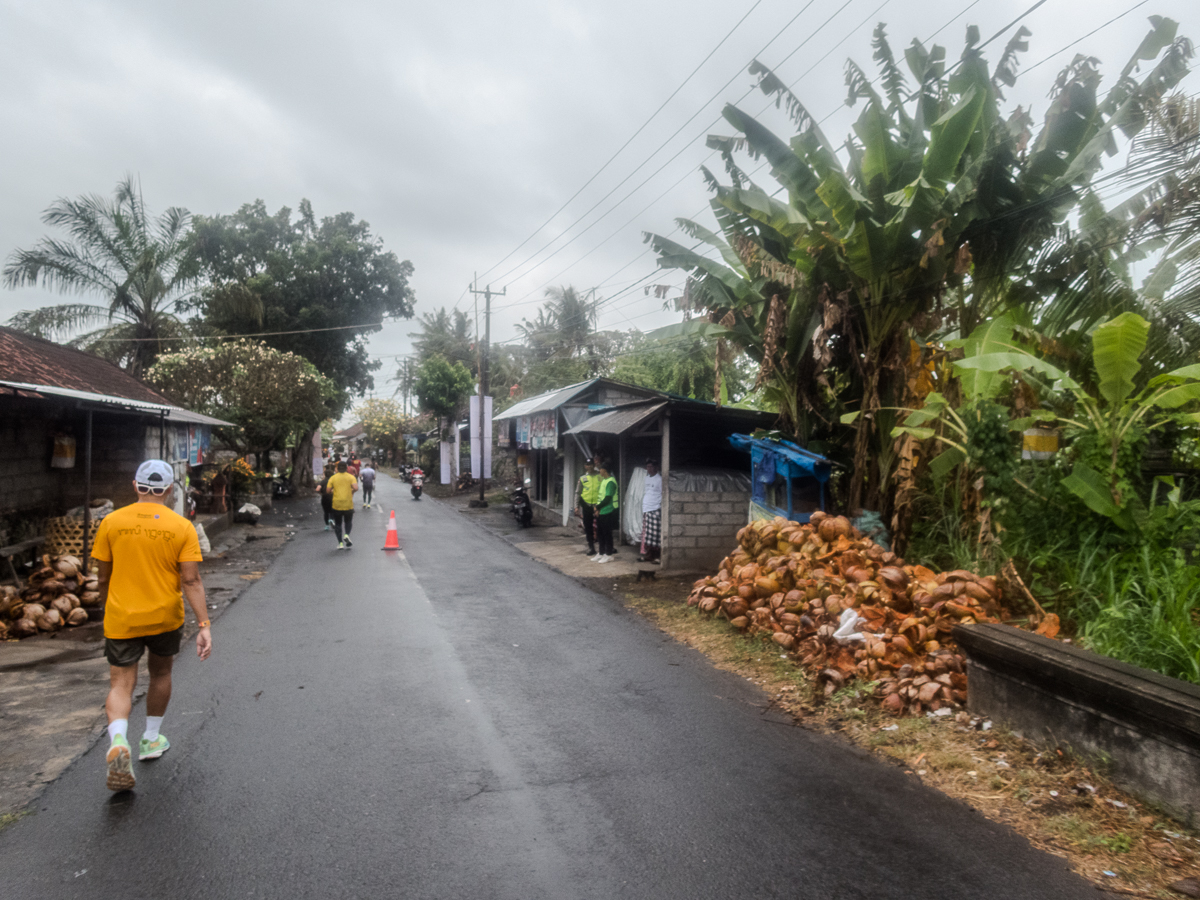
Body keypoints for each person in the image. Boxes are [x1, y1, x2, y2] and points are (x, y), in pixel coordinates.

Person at [91, 459, 212, 792]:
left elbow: (102, 578)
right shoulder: (181, 526)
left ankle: (119, 740)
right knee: (160, 674)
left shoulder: (111, 523)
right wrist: (204, 624)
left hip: (121, 617)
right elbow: (191, 579)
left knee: (120, 683)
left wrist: (108, 610)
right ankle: (150, 739)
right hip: (163, 617)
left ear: (135, 486)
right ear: (169, 490)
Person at [327, 460, 358, 549]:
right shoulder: (351, 477)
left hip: (336, 504)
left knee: (338, 524)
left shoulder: (332, 478)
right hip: (348, 504)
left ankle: (340, 543)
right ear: (346, 468)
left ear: (337, 469)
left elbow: (328, 491)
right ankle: (347, 535)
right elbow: (356, 488)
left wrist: (334, 491)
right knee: (348, 521)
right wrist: (351, 491)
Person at [572, 457, 600, 557]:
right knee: (588, 528)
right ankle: (591, 547)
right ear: (585, 466)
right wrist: (576, 506)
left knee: (601, 527)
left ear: (594, 465)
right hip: (587, 506)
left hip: (598, 506)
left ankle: (604, 547)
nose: (589, 467)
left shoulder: (599, 476)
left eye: (591, 465)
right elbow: (577, 493)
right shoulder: (583, 478)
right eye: (588, 465)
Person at [593, 461, 619, 563]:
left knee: (607, 533)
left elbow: (608, 498)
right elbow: (601, 496)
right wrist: (597, 509)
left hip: (609, 511)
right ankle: (601, 552)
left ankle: (609, 554)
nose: (599, 471)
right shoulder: (604, 480)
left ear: (605, 470)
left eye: (600, 469)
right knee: (600, 533)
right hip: (601, 511)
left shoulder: (611, 482)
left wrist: (597, 507)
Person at [639, 458, 663, 563]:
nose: (649, 469)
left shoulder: (660, 479)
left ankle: (657, 556)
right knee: (648, 534)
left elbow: (662, 494)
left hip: (655, 508)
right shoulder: (646, 478)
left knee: (655, 534)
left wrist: (659, 506)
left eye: (651, 466)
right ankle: (649, 555)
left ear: (656, 467)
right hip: (646, 508)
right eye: (647, 467)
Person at [317, 464, 335, 530]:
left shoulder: (322, 481)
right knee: (333, 510)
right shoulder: (334, 481)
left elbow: (317, 489)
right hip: (333, 497)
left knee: (326, 512)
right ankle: (332, 519)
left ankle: (327, 526)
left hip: (324, 497)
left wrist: (321, 493)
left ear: (325, 474)